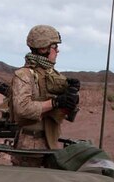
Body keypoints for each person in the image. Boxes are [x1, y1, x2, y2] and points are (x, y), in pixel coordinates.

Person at [8, 25, 80, 167]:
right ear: (43, 49)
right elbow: (22, 108)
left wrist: (71, 97)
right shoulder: (24, 75)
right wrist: (55, 103)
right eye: (54, 46)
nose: (57, 51)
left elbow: (66, 113)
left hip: (51, 142)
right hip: (30, 147)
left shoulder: (52, 75)